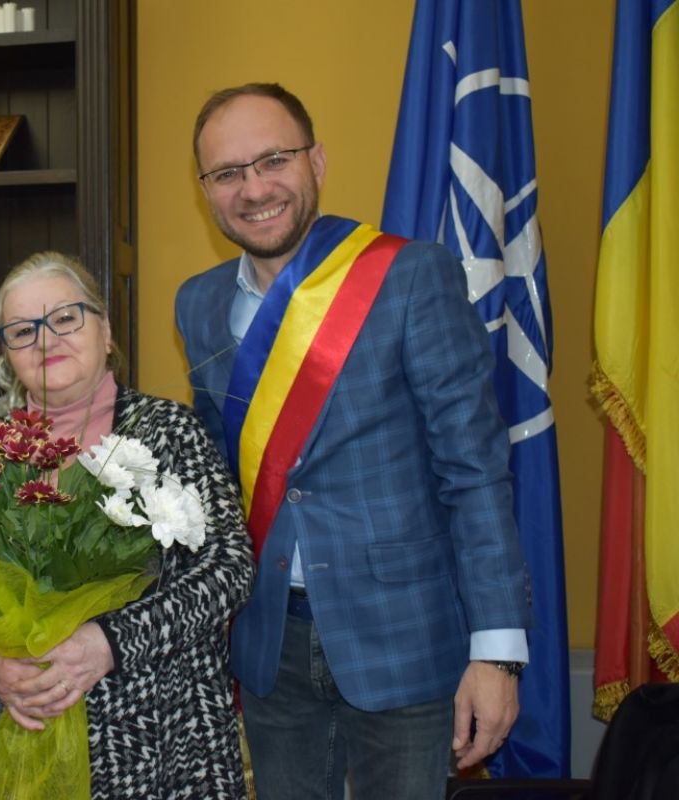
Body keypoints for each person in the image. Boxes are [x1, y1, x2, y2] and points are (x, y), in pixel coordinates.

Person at [175, 83, 534, 800]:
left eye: (273, 160)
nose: (254, 189)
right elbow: (218, 477)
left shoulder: (410, 275)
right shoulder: (199, 302)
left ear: (316, 161)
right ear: (206, 191)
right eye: (228, 172)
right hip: (269, 642)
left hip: (405, 637)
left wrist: (497, 653)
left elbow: (474, 470)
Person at [0, 251, 255, 799]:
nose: (46, 340)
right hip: (13, 732)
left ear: (106, 330)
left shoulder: (169, 431)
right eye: (23, 330)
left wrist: (111, 642)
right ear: (5, 356)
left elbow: (228, 569)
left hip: (163, 740)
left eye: (66, 318)